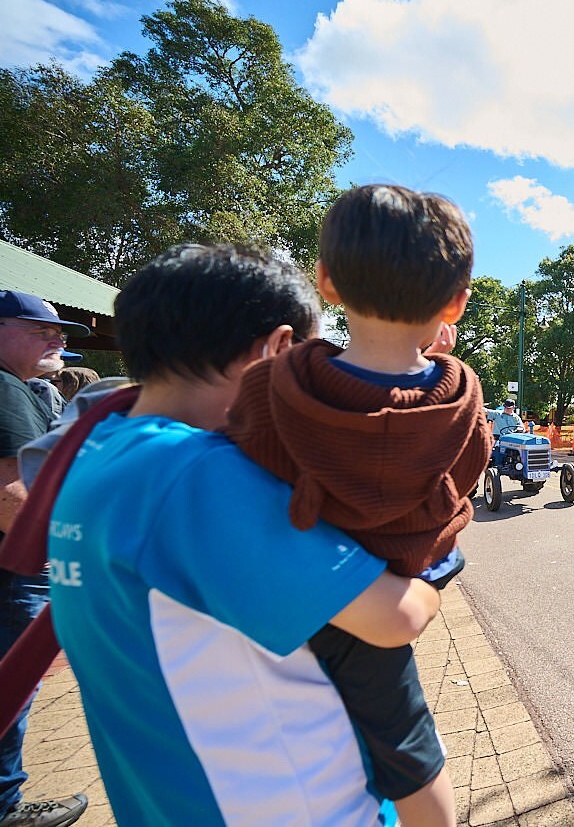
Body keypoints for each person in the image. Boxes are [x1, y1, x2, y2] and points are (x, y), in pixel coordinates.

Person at [38, 246, 443, 825]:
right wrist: (434, 568)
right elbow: (393, 617)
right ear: (277, 350)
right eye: (309, 357)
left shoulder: (96, 450)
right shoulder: (194, 473)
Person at [224, 184, 490, 826]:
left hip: (295, 588)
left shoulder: (277, 381)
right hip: (394, 588)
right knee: (409, 749)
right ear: (455, 302)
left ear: (327, 283)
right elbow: (470, 468)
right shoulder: (459, 394)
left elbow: (245, 453)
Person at [0, 291, 90, 827]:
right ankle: (6, 805)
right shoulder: (6, 388)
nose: (56, 338)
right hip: (16, 572)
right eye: (39, 329)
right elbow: (11, 493)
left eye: (57, 330)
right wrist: (73, 548)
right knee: (14, 682)